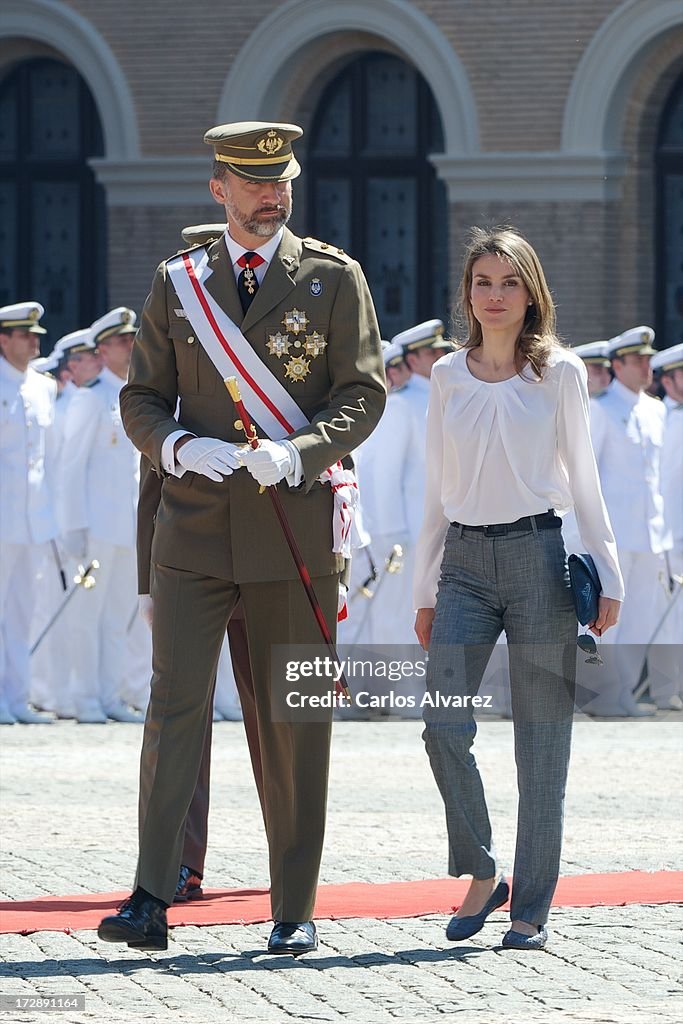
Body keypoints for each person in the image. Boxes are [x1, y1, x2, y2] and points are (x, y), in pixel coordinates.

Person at [98, 121, 385, 955]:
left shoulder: (333, 279)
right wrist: (180, 445)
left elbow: (360, 395)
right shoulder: (177, 281)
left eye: (281, 180)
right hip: (190, 527)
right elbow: (140, 399)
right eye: (252, 181)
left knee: (292, 718)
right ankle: (152, 895)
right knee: (173, 710)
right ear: (218, 187)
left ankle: (292, 905)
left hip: (290, 530)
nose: (272, 194)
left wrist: (298, 453)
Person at [413, 226, 623, 951]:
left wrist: (610, 570)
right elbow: (435, 490)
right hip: (463, 567)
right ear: (466, 293)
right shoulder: (445, 376)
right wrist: (423, 588)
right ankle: (479, 869)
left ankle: (529, 908)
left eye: (508, 283)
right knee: (442, 727)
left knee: (541, 748)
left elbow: (586, 478)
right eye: (482, 282)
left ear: (530, 292)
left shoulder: (558, 374)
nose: (494, 296)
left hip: (540, 562)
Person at [59, 308, 142, 724]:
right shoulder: (91, 399)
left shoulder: (135, 395)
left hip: (127, 528)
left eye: (132, 340)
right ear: (103, 350)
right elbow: (70, 469)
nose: (131, 347)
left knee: (118, 618)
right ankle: (85, 696)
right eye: (122, 342)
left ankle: (111, 696)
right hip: (95, 528)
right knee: (86, 617)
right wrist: (73, 527)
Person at [585, 327, 671, 717]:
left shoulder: (656, 410)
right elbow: (588, 477)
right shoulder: (601, 410)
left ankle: (625, 693)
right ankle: (603, 694)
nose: (646, 366)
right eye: (638, 360)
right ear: (617, 365)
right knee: (609, 621)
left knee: (642, 618)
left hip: (650, 533)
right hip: (616, 533)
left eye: (648, 360)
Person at [0, 302, 57, 725]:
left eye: (36, 334)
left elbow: (47, 459)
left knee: (22, 612)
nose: (34, 341)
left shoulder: (43, 386)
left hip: (32, 519)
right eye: (25, 335)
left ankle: (17, 698)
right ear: (4, 340)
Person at [646, 343, 683, 709]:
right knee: (666, 610)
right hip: (668, 532)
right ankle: (665, 688)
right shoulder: (661, 418)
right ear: (669, 380)